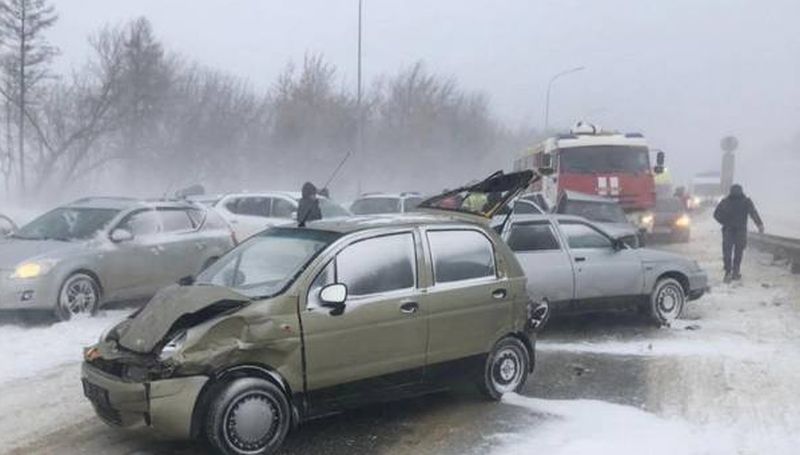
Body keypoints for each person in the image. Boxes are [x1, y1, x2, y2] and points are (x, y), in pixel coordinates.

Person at [713, 184, 764, 283]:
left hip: (728, 230)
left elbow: (716, 214)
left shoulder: (725, 201)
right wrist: (759, 224)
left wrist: (724, 222)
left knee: (727, 252)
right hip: (741, 231)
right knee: (738, 252)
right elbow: (753, 213)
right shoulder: (746, 201)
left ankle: (728, 272)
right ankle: (736, 272)